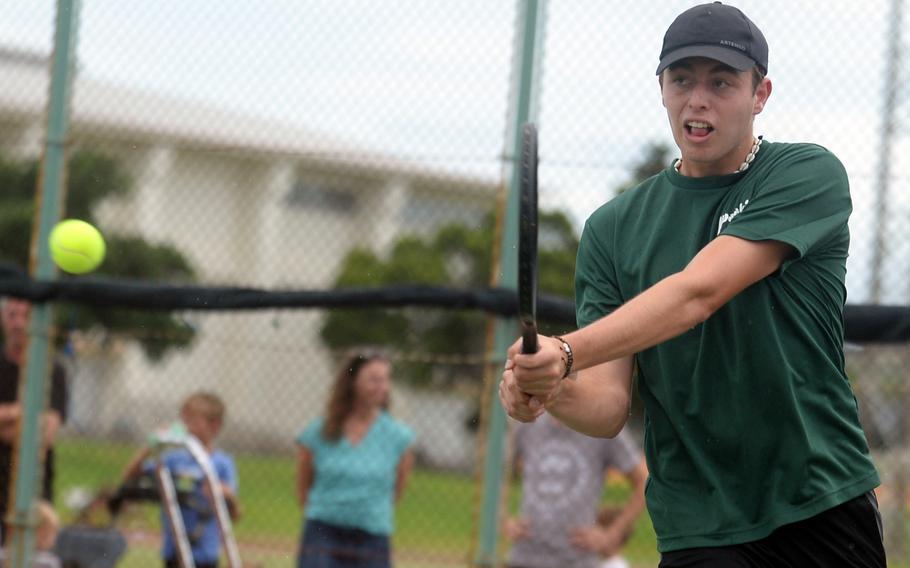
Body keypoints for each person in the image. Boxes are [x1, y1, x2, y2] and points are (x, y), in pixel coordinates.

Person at [499, 3, 886, 567]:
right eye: (681, 79)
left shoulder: (806, 175)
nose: (697, 99)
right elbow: (607, 407)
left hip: (819, 498)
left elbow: (697, 294)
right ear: (661, 88)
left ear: (761, 94)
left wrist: (563, 352)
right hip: (699, 523)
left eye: (722, 82)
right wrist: (550, 387)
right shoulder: (612, 229)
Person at [295, 352, 416, 568]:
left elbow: (396, 491)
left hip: (372, 536)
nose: (383, 387)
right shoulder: (319, 432)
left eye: (386, 379)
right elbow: (304, 485)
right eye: (374, 379)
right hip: (323, 532)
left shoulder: (399, 437)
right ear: (352, 382)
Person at [504, 413, 647, 568]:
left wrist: (611, 535)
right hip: (524, 557)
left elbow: (644, 483)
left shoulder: (602, 426)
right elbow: (494, 470)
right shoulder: (528, 423)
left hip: (576, 560)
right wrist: (503, 520)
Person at [122, 391, 239, 568]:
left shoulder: (221, 463)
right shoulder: (173, 459)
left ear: (214, 426)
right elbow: (130, 476)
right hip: (174, 549)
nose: (186, 426)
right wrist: (151, 445)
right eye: (184, 420)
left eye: (193, 421)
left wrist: (224, 492)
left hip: (204, 552)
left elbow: (234, 511)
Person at [0, 297, 68, 543]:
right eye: (12, 315)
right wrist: (24, 412)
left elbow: (45, 435)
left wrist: (5, 418)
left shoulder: (52, 369)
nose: (18, 323)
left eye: (25, 316)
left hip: (34, 490)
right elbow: (34, 427)